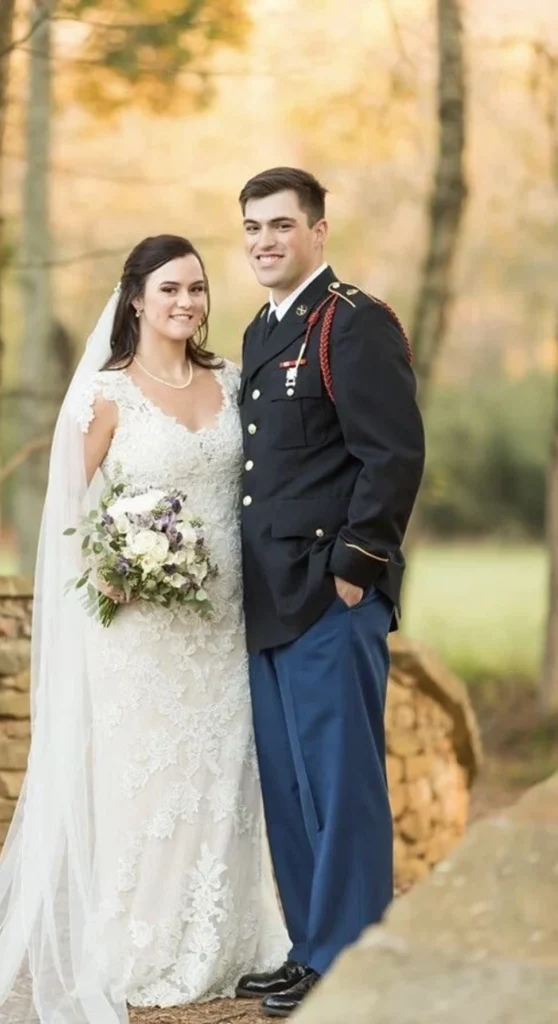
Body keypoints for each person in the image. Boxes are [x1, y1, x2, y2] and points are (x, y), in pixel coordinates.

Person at [0, 234, 287, 1024]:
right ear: (135, 299)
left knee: (226, 771)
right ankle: (141, 948)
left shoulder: (231, 381)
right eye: (169, 289)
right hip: (138, 623)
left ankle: (229, 944)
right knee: (147, 779)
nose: (187, 302)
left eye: (196, 288)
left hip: (225, 616)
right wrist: (119, 561)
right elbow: (69, 510)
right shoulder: (104, 395)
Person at [234, 167, 426, 1017]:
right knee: (288, 784)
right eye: (251, 229)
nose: (265, 241)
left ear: (317, 230)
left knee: (342, 783)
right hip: (268, 595)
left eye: (281, 225)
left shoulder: (352, 322)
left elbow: (394, 453)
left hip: (329, 593)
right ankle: (311, 948)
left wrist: (357, 566)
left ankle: (350, 959)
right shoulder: (259, 330)